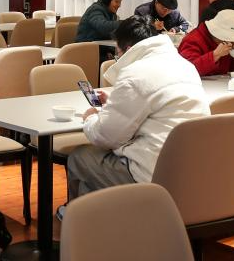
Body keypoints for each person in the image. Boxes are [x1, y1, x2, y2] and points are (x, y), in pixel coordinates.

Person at [64, 16, 209, 205]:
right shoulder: (185, 66)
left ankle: (78, 215)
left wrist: (90, 118)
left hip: (153, 174)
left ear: (128, 49)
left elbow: (105, 137)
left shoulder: (135, 74)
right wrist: (114, 104)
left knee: (80, 158)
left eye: (117, 53)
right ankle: (96, 216)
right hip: (191, 170)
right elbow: (156, 110)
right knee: (90, 179)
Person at [177, 9, 234, 76]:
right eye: (231, 38)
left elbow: (231, 68)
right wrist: (215, 55)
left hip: (220, 84)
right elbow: (188, 70)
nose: (233, 43)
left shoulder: (224, 43)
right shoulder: (193, 39)